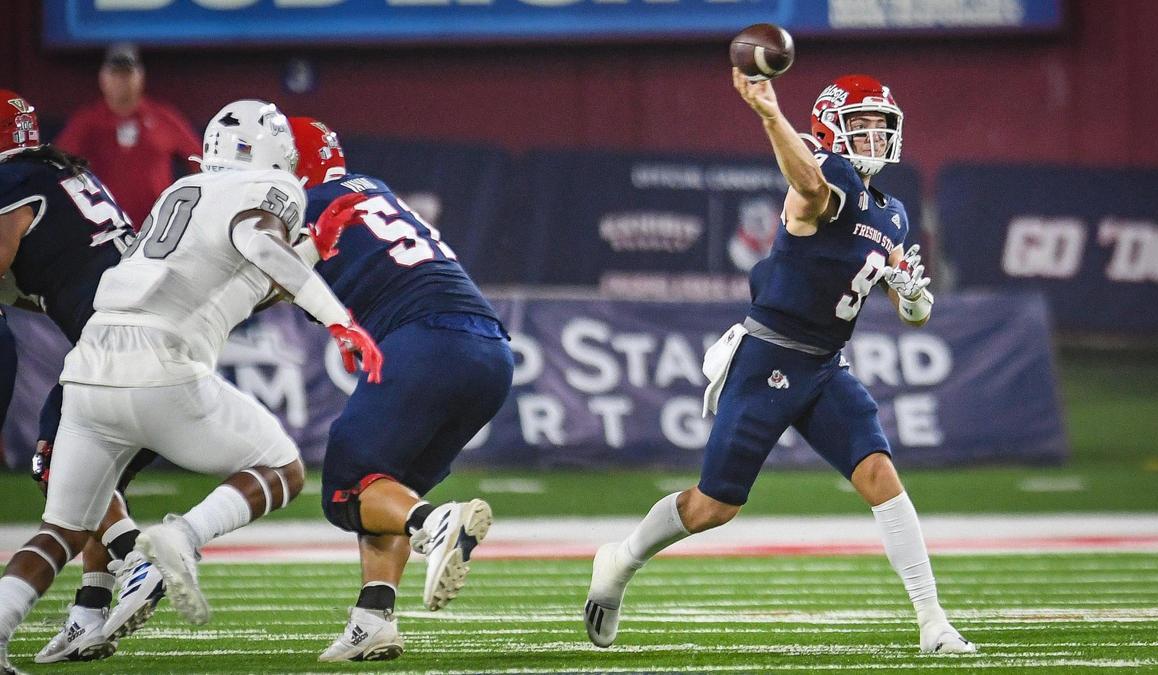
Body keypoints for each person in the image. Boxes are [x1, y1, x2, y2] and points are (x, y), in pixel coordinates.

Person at [583, 71, 977, 656]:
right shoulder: (825, 177)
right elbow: (809, 187)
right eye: (860, 124)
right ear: (829, 130)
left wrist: (914, 297)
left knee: (881, 478)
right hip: (767, 355)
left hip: (824, 366)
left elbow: (905, 305)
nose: (872, 135)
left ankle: (933, 623)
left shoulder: (892, 211)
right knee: (715, 505)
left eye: (879, 124)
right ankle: (621, 558)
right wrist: (770, 114)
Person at [0, 99, 383, 675]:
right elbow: (257, 244)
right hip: (159, 363)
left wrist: (309, 249)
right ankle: (179, 538)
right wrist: (338, 317)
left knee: (59, 533)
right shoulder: (267, 190)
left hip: (88, 365)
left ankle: (43, 618)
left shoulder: (181, 193)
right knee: (282, 469)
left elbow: (238, 284)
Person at [287, 117, 513, 662]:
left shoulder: (303, 207)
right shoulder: (370, 188)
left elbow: (270, 278)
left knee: (346, 490)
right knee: (383, 488)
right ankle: (373, 620)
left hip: (424, 341)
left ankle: (435, 523)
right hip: (489, 351)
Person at [0, 89, 167, 665]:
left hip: (117, 343)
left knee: (57, 464)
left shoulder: (12, 183)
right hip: (159, 334)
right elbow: (57, 276)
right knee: (96, 478)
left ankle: (136, 555)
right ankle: (89, 611)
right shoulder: (61, 174)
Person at [56, 43, 202, 228]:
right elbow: (59, 166)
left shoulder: (162, 117)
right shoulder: (87, 121)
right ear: (103, 78)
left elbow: (199, 162)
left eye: (127, 74)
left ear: (140, 77)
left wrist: (192, 207)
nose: (121, 81)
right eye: (115, 74)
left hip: (157, 228)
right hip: (105, 229)